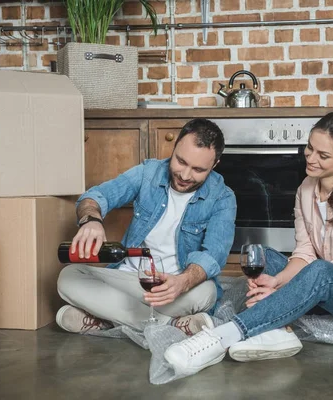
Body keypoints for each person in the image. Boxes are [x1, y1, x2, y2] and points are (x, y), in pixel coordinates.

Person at [164, 111, 333, 374]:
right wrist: (277, 281)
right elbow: (305, 253)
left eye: (323, 155)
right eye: (310, 148)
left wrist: (281, 293)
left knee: (321, 272)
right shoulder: (306, 188)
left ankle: (221, 337)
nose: (310, 158)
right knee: (262, 256)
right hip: (323, 285)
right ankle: (277, 330)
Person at [56, 118, 237, 336]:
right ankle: (170, 325)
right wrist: (91, 220)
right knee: (69, 276)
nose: (185, 175)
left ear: (214, 165)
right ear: (175, 146)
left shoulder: (223, 197)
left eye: (198, 169)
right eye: (181, 161)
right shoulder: (147, 173)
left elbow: (214, 255)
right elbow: (96, 196)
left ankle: (108, 318)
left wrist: (182, 282)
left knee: (206, 292)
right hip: (131, 280)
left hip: (175, 289)